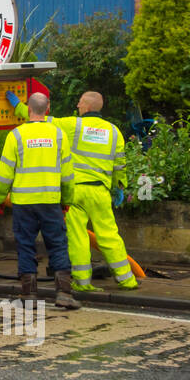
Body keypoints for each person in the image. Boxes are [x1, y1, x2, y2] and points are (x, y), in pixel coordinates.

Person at [0, 92, 80, 309]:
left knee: (25, 245)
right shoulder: (59, 135)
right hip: (51, 200)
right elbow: (67, 175)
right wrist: (67, 200)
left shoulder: (16, 135)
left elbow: (4, 174)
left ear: (28, 109)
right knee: (58, 245)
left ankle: (29, 295)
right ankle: (64, 294)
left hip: (23, 202)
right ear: (47, 108)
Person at [53, 92, 138, 291]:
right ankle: (127, 279)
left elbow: (43, 120)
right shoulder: (114, 131)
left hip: (76, 192)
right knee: (109, 235)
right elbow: (119, 165)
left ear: (88, 107)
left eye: (80, 102)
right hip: (100, 192)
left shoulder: (73, 125)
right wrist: (119, 188)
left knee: (78, 236)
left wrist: (18, 106)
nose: (77, 104)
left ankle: (82, 282)